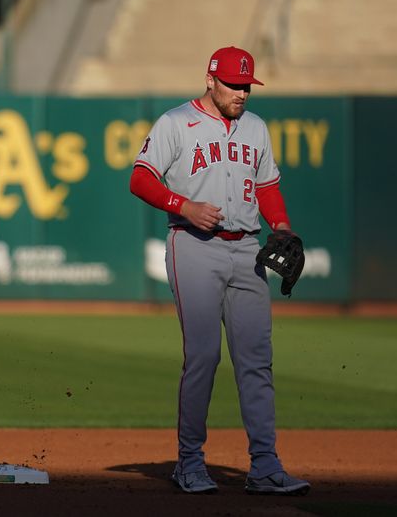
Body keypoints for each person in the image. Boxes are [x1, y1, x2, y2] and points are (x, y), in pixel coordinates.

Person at [129, 47, 310, 496]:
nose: (242, 92)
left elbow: (267, 186)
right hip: (193, 246)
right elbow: (141, 177)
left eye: (247, 85)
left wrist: (282, 226)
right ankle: (189, 462)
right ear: (210, 80)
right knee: (205, 356)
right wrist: (183, 205)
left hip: (247, 249)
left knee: (256, 361)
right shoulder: (175, 123)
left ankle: (265, 466)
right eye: (233, 84)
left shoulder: (256, 128)